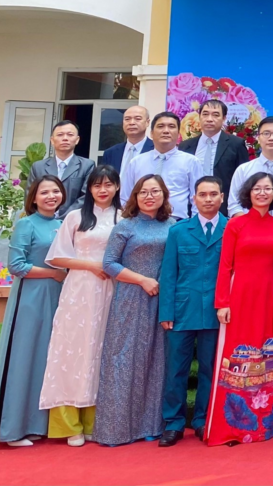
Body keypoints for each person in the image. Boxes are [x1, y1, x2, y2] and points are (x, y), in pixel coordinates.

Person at [0, 177, 66, 447]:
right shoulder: (26, 224)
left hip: (58, 297)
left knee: (46, 358)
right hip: (31, 296)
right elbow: (16, 265)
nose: (51, 196)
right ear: (34, 197)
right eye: (44, 192)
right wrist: (53, 274)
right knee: (25, 357)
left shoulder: (64, 224)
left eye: (55, 191)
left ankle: (39, 425)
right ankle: (14, 429)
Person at [206, 172, 273, 446]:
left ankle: (262, 425)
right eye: (257, 188)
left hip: (268, 299)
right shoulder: (236, 224)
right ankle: (230, 426)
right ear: (248, 193)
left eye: (267, 188)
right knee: (236, 357)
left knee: (265, 356)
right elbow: (225, 265)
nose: (262, 193)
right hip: (240, 297)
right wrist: (222, 303)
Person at [40, 166, 119, 446]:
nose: (103, 190)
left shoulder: (124, 217)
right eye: (97, 185)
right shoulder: (75, 217)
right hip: (79, 289)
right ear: (89, 189)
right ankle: (69, 424)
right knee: (72, 350)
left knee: (101, 350)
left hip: (112, 290)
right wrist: (92, 265)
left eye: (108, 184)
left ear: (117, 187)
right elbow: (57, 257)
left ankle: (96, 422)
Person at [94, 174, 174, 446]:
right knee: (124, 358)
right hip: (130, 298)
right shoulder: (125, 226)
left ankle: (151, 425)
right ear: (135, 196)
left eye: (155, 191)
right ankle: (116, 429)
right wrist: (142, 280)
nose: (149, 196)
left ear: (164, 195)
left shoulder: (173, 226)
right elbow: (109, 263)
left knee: (156, 360)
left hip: (162, 301)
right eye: (143, 192)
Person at [157, 176, 226, 446]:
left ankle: (202, 421)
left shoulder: (231, 229)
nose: (208, 199)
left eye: (213, 194)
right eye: (202, 195)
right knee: (176, 370)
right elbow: (168, 274)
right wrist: (166, 312)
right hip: (182, 311)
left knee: (209, 369)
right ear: (193, 199)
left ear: (222, 197)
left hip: (215, 312)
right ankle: (173, 423)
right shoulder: (179, 231)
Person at [120, 112, 202, 220]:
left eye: (171, 126)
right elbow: (125, 197)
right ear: (151, 133)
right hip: (141, 222)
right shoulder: (136, 162)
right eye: (160, 126)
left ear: (178, 134)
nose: (166, 131)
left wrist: (195, 225)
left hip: (177, 222)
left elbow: (197, 198)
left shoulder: (191, 162)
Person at [178, 100, 250, 212]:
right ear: (199, 117)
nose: (209, 119)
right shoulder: (185, 146)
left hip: (225, 208)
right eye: (205, 114)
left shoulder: (236, 144)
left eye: (215, 115)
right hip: (192, 208)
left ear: (224, 118)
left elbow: (244, 179)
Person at [29, 121, 93, 218]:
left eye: (70, 134)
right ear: (52, 140)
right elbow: (30, 196)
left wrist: (64, 218)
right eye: (60, 135)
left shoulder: (87, 165)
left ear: (77, 140)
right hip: (43, 221)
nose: (65, 138)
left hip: (74, 221)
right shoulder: (38, 167)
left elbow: (86, 197)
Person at [100, 106, 153, 175]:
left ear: (147, 122)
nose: (131, 123)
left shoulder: (157, 150)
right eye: (127, 119)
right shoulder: (110, 153)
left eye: (137, 119)